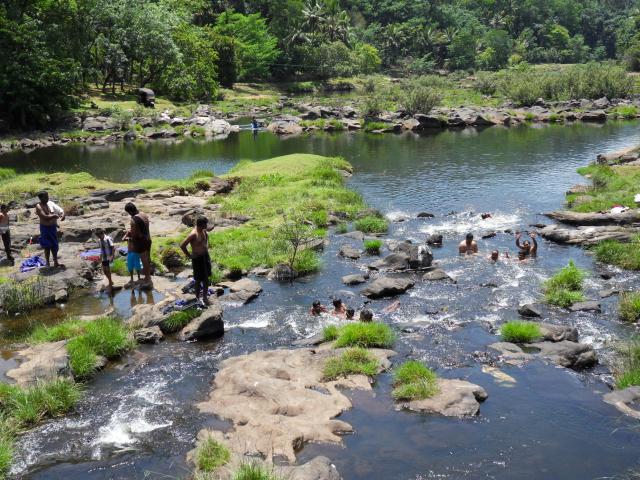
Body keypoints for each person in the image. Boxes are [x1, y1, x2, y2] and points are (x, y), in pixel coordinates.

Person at [180, 216, 213, 306]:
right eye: (205, 224)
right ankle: (198, 298)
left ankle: (204, 298)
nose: (207, 225)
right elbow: (182, 245)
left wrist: (206, 248)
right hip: (197, 259)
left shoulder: (204, 231)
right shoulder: (193, 234)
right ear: (201, 225)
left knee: (206, 278)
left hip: (205, 257)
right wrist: (190, 256)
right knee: (199, 279)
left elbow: (206, 240)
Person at [124, 202, 152, 288]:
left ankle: (147, 280)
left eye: (128, 213)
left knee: (144, 261)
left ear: (129, 211)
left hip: (141, 242)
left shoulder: (133, 219)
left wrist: (128, 236)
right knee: (147, 259)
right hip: (148, 239)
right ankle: (148, 277)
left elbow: (135, 234)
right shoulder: (143, 214)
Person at [35, 191, 65, 267]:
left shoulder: (49, 203)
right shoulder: (38, 206)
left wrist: (62, 215)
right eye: (45, 197)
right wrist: (54, 215)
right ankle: (47, 262)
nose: (47, 198)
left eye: (48, 196)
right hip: (45, 228)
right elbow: (44, 217)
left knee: (55, 245)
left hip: (52, 228)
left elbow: (60, 210)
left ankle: (56, 262)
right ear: (41, 198)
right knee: (47, 246)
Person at [95, 228, 114, 293]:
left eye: (99, 235)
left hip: (109, 257)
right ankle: (110, 281)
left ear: (102, 233)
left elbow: (113, 247)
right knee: (104, 271)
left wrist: (112, 256)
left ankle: (110, 282)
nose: (98, 237)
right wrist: (100, 257)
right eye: (97, 236)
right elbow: (101, 249)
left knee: (108, 270)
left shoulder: (108, 239)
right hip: (104, 257)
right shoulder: (99, 240)